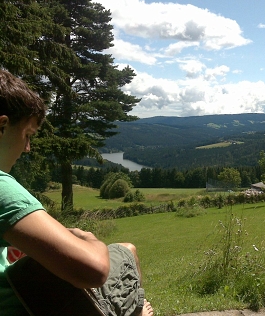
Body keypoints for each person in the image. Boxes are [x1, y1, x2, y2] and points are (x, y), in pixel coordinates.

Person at [0, 69, 153, 316]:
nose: (27, 148)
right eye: (27, 135)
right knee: (127, 249)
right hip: (24, 306)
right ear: (3, 126)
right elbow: (95, 269)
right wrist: (88, 238)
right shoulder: (2, 188)